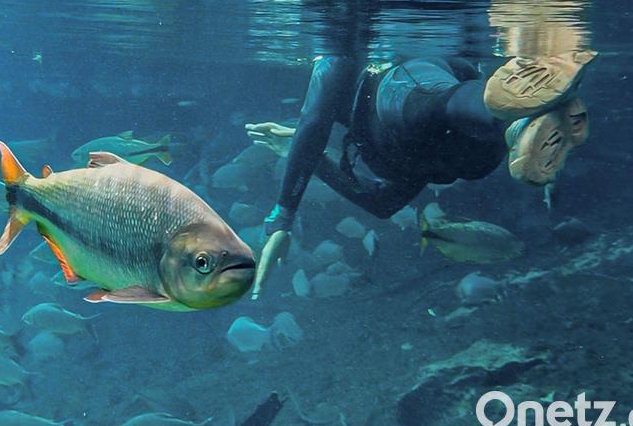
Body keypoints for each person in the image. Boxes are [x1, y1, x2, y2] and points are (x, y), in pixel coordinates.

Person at [246, 50, 596, 295]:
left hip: (429, 131)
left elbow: (313, 122)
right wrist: (313, 159)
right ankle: (522, 123)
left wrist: (282, 218)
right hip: (467, 152)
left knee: (436, 101)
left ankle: (517, 112)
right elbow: (383, 204)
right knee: (444, 104)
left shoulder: (338, 56)